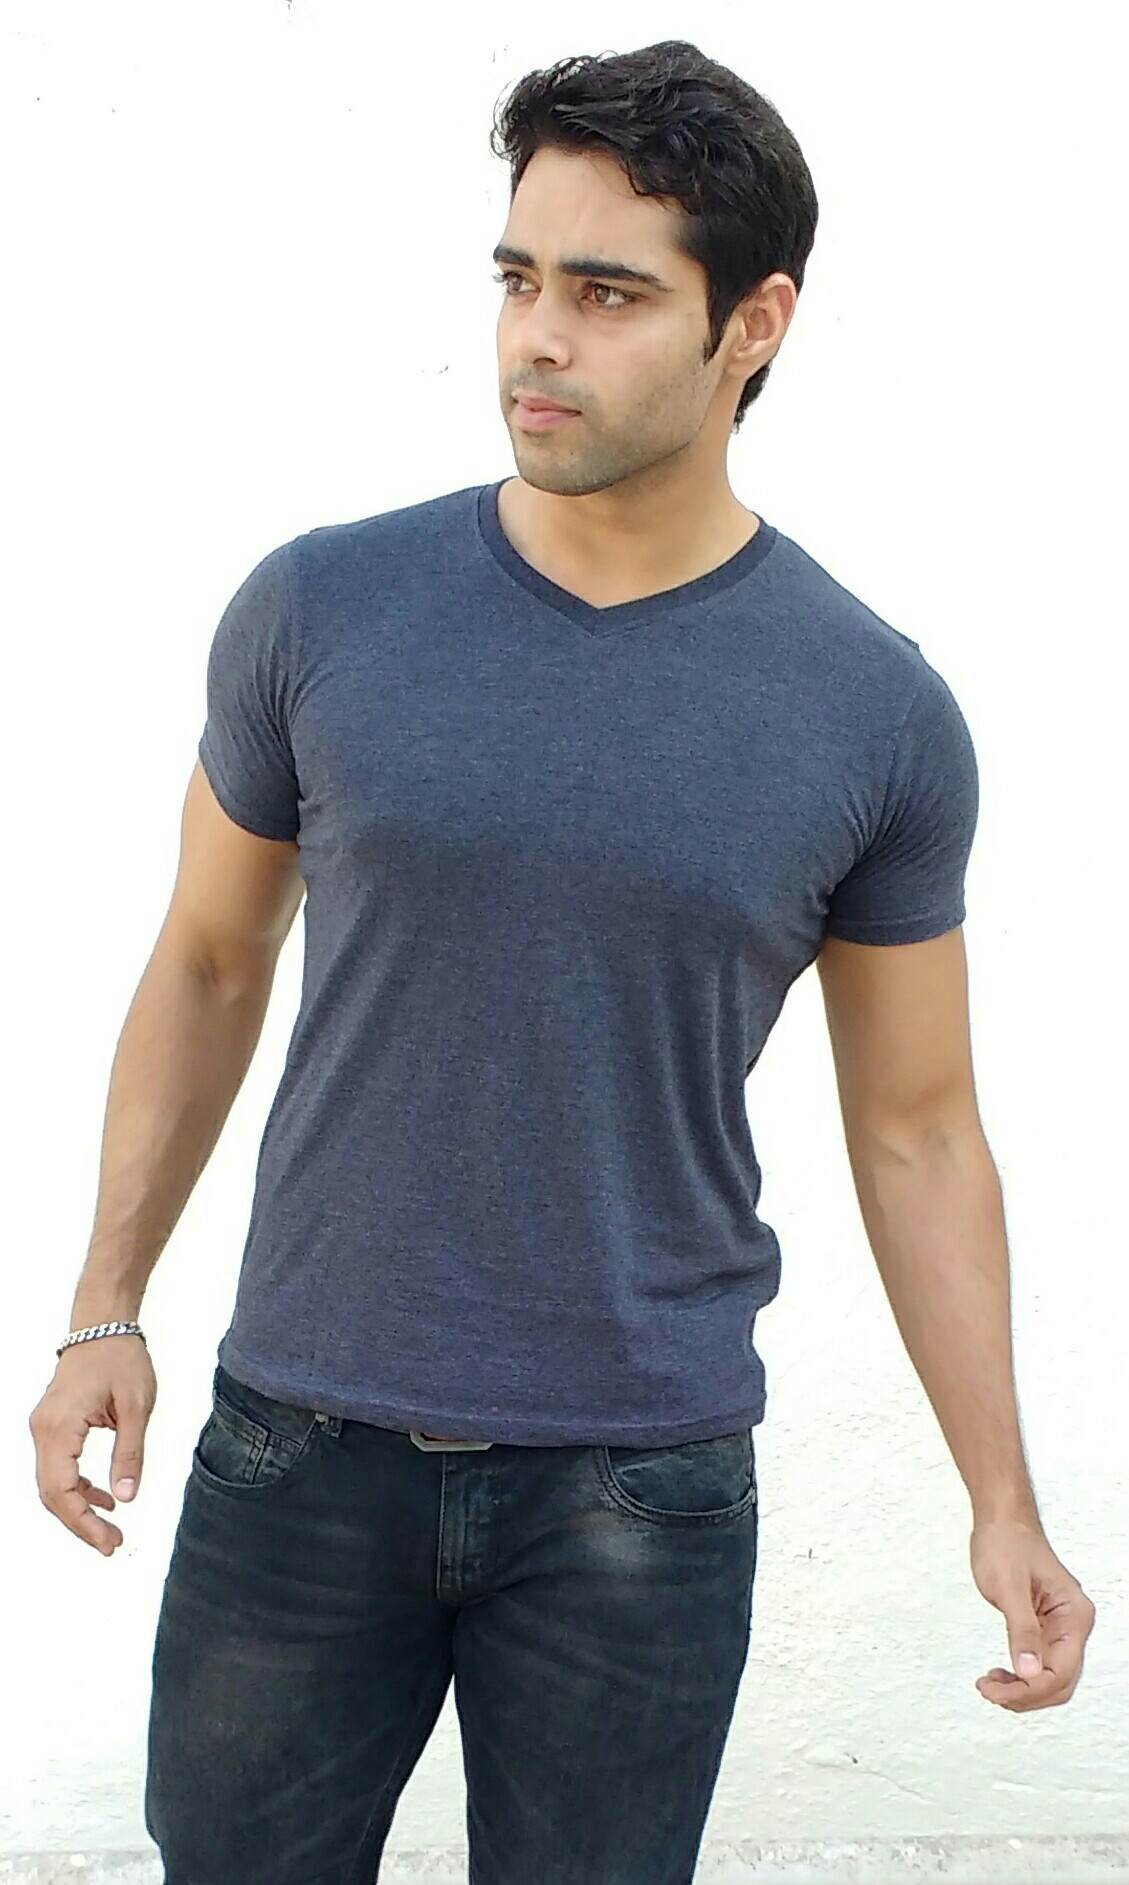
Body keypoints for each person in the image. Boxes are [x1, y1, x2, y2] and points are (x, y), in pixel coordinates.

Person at [29, 37, 1094, 1885]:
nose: (536, 337)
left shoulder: (873, 711)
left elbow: (918, 1125)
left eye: (607, 294)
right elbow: (205, 961)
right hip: (297, 1449)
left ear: (753, 322)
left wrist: (1000, 1496)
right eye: (517, 277)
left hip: (637, 1486)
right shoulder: (321, 608)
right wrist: (102, 1308)